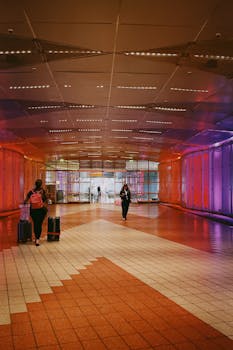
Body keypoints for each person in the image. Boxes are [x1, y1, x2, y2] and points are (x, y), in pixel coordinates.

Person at [24, 179, 47, 246]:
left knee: (35, 224)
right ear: (41, 184)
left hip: (33, 210)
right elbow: (44, 199)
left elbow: (26, 200)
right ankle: (37, 239)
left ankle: (36, 237)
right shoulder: (42, 191)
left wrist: (25, 203)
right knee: (39, 224)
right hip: (41, 210)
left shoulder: (31, 191)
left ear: (35, 184)